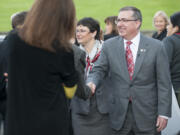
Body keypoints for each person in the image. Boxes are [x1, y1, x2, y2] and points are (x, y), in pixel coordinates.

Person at [87, 6, 172, 135]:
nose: (120, 24)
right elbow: (98, 69)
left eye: (125, 20)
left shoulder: (156, 47)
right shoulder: (109, 45)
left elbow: (164, 83)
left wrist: (164, 113)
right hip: (119, 115)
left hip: (148, 116)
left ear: (137, 23)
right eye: (118, 20)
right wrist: (92, 82)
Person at [3, 0, 78, 135]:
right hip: (51, 123)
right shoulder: (62, 48)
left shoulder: (13, 40)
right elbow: (70, 91)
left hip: (18, 123)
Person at [71, 17, 111, 135]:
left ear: (93, 33)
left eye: (82, 30)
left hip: (104, 108)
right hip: (79, 109)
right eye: (77, 31)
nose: (78, 34)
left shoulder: (107, 49)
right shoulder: (73, 52)